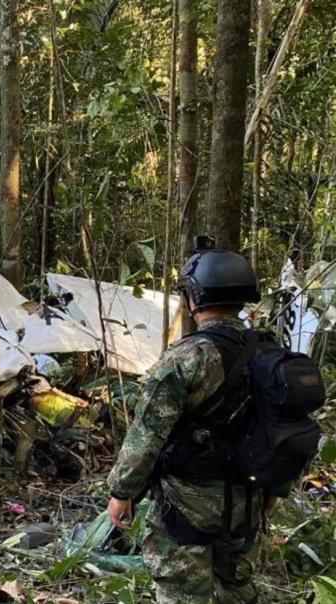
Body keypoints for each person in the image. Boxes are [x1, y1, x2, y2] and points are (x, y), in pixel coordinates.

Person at [105, 245, 278, 604]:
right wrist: (275, 492)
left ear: (194, 296)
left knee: (182, 592)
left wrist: (122, 492)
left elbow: (147, 434)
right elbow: (289, 427)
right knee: (237, 590)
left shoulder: (190, 356)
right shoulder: (269, 353)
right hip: (249, 501)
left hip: (186, 505)